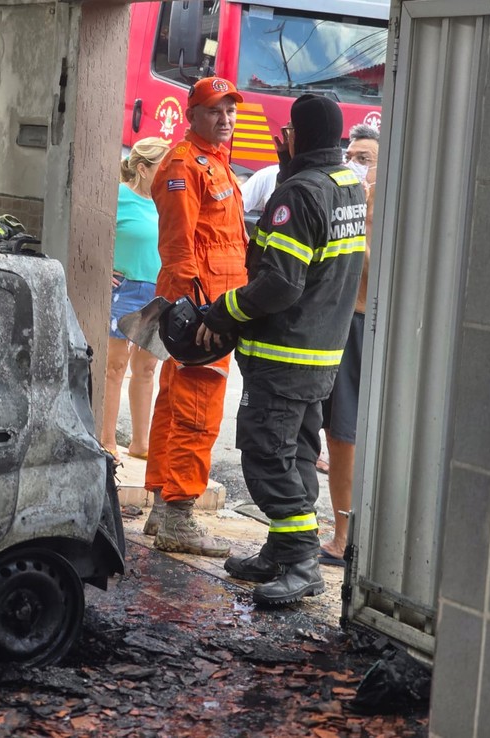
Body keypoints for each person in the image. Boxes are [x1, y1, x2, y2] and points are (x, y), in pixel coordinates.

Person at [198, 94, 366, 605]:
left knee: (267, 455)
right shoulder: (347, 185)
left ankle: (300, 564)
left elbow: (280, 286)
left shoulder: (299, 193)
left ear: (296, 135)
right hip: (321, 355)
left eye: (288, 131)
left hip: (285, 355)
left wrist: (221, 312)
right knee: (298, 452)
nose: (282, 139)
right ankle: (281, 550)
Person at [141, 77, 249, 556]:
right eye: (214, 110)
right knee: (196, 406)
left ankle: (164, 509)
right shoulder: (185, 165)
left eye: (229, 110)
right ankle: (179, 514)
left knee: (175, 399)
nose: (224, 118)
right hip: (204, 310)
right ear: (192, 114)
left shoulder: (217, 163)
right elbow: (179, 247)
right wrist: (200, 311)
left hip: (214, 305)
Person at [318, 122, 380, 566]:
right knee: (338, 435)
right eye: (351, 156)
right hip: (340, 324)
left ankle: (345, 539)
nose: (353, 166)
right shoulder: (347, 200)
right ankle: (344, 531)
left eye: (365, 160)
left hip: (364, 326)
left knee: (346, 436)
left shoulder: (383, 208)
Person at [101, 137, 170, 460]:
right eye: (162, 167)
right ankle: (106, 440)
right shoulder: (117, 197)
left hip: (157, 290)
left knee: (146, 368)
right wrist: (102, 268)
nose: (169, 173)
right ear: (142, 169)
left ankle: (141, 443)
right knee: (114, 366)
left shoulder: (166, 202)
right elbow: (94, 233)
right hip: (124, 288)